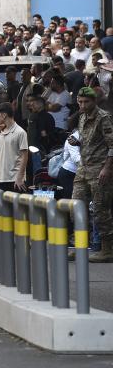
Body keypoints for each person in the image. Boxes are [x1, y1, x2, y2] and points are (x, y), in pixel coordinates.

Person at [71, 87, 113, 262]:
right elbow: (90, 141)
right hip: (83, 168)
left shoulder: (103, 117)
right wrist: (77, 142)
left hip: (99, 170)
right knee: (76, 207)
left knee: (100, 210)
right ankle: (80, 246)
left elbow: (112, 144)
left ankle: (107, 249)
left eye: (86, 102)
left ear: (94, 101)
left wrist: (107, 168)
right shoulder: (81, 117)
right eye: (80, 102)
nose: (82, 105)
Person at [0, 102, 29, 192]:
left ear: (4, 115)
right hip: (1, 178)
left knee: (16, 206)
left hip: (15, 179)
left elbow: (25, 156)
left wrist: (20, 177)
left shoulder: (20, 132)